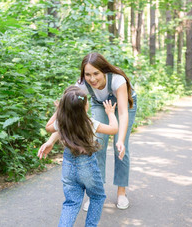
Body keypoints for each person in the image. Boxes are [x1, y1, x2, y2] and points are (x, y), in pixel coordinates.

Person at [38, 86, 122, 227]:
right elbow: (113, 129)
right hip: (87, 165)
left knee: (71, 202)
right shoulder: (90, 123)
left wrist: (59, 110)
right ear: (84, 107)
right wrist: (110, 113)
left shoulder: (62, 122)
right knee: (97, 196)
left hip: (68, 165)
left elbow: (48, 127)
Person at [76, 52, 137, 210]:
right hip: (100, 105)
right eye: (88, 74)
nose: (93, 79)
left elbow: (123, 113)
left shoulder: (118, 80)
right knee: (97, 145)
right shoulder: (82, 84)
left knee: (120, 148)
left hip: (125, 106)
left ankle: (121, 193)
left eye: (96, 73)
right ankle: (95, 194)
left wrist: (121, 140)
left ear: (104, 70)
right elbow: (68, 105)